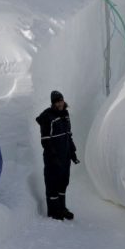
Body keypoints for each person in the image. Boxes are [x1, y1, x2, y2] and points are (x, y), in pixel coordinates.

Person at [35, 90, 78, 220]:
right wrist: (53, 157)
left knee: (63, 183)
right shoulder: (47, 117)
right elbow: (46, 141)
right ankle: (54, 211)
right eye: (57, 101)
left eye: (61, 100)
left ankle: (62, 208)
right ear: (53, 103)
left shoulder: (65, 114)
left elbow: (68, 136)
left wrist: (72, 153)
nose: (60, 103)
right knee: (52, 184)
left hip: (64, 157)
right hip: (53, 159)